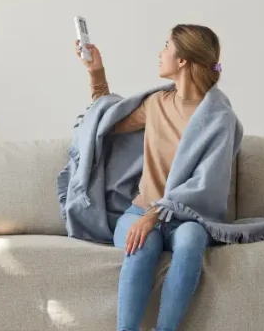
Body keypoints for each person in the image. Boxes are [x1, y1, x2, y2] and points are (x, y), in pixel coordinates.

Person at [75, 24, 225, 331]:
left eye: (166, 46)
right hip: (139, 212)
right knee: (142, 242)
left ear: (182, 59)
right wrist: (96, 73)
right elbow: (106, 121)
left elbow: (206, 184)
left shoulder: (219, 117)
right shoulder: (156, 104)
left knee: (192, 238)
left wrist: (156, 214)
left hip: (189, 217)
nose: (160, 52)